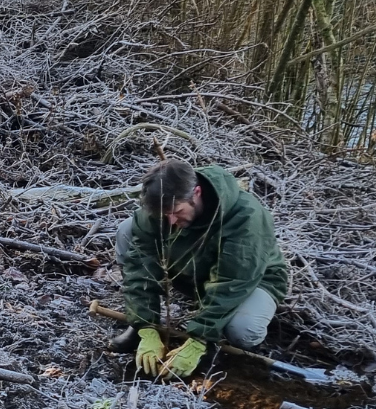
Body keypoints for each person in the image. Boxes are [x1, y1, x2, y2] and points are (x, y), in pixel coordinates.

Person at [116, 159, 290, 378]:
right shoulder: (161, 206)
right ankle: (140, 326)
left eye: (177, 211)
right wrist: (145, 326)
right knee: (126, 229)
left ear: (196, 193)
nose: (170, 221)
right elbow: (140, 266)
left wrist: (200, 339)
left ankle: (213, 340)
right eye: (164, 215)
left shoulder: (246, 218)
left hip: (251, 282)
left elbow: (231, 283)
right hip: (193, 273)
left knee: (243, 332)